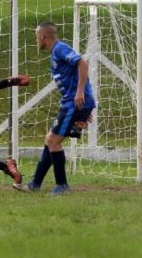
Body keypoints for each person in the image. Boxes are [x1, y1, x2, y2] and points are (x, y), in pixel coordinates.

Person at [15, 22, 95, 195]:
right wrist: (84, 106)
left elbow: (83, 64)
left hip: (74, 104)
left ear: (43, 36)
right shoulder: (56, 53)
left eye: (37, 38)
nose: (37, 41)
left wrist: (81, 93)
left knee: (53, 141)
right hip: (75, 104)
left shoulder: (60, 49)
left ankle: (62, 185)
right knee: (50, 139)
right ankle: (35, 184)